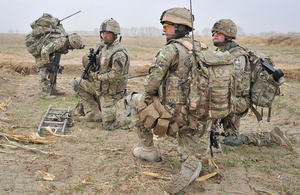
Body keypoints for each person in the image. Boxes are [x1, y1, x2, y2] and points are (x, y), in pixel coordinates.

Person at [124, 7, 212, 194]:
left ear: (179, 28)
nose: (163, 29)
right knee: (190, 157)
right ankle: (194, 160)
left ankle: (148, 149)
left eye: (167, 25)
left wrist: (155, 96)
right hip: (203, 114)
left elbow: (150, 86)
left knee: (131, 99)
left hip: (176, 114)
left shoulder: (171, 50)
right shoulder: (204, 48)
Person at [211, 19, 293, 150]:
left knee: (209, 104)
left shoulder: (238, 57)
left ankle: (270, 137)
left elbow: (237, 86)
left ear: (229, 36)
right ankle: (216, 134)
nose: (215, 34)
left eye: (219, 32)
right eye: (214, 32)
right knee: (231, 139)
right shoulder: (221, 52)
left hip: (238, 101)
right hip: (229, 99)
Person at [71, 18, 131, 130]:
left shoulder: (119, 53)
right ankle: (93, 113)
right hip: (99, 87)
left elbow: (115, 76)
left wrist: (95, 76)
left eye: (108, 33)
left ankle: (135, 119)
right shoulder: (103, 47)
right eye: (103, 33)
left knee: (108, 125)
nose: (105, 36)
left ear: (115, 34)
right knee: (76, 83)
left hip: (110, 93)